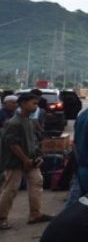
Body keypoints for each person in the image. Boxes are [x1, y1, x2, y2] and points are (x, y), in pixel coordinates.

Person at [0, 93, 53, 229]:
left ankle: (35, 214)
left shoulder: (28, 121)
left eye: (36, 104)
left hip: (30, 160)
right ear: (22, 103)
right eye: (33, 103)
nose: (35, 106)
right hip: (15, 162)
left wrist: (38, 156)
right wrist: (25, 159)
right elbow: (12, 144)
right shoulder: (14, 122)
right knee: (10, 189)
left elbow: (32, 142)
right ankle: (1, 218)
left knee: (37, 182)